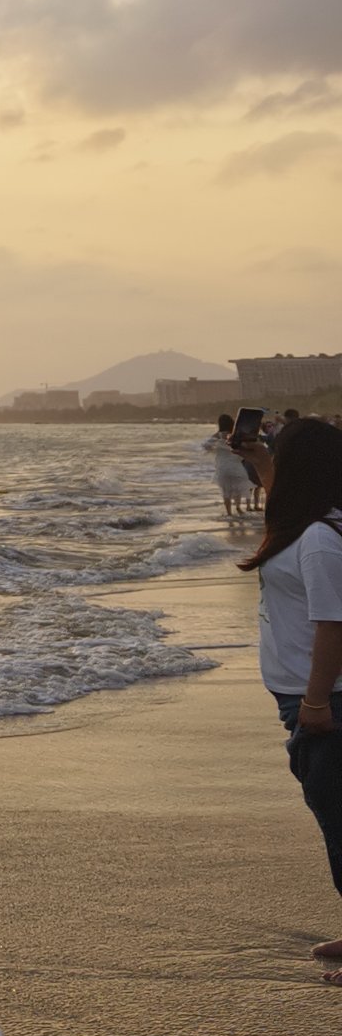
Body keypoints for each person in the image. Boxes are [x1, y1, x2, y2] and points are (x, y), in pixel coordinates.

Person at [237, 417, 342, 976]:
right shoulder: (310, 524)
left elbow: (333, 624)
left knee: (339, 818)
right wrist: (260, 463)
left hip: (327, 700)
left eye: (281, 451)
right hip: (308, 696)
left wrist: (318, 702)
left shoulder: (321, 538)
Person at [206, 414, 251, 522]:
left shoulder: (218, 435)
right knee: (238, 488)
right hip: (236, 465)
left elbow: (206, 445)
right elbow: (245, 446)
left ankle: (229, 513)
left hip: (223, 467)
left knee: (226, 490)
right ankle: (238, 507)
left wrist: (217, 446)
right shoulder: (235, 435)